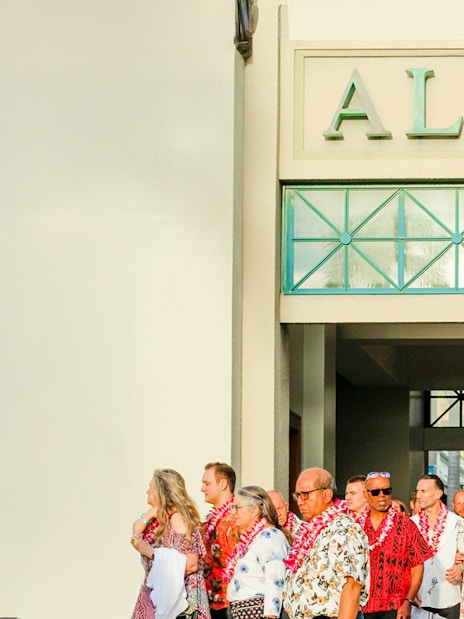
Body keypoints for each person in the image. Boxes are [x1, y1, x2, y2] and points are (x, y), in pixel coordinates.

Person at [283, 467, 369, 619]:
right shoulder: (309, 530)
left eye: (306, 494)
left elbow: (352, 586)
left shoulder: (343, 528)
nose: (300, 502)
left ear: (327, 495)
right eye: (297, 495)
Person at [130, 468, 211, 619]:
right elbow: (135, 533)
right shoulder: (157, 521)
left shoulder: (178, 519)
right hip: (154, 598)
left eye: (151, 487)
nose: (147, 491)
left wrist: (151, 553)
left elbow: (190, 564)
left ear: (162, 491)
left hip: (180, 604)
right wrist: (153, 511)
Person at [359, 471, 432, 619]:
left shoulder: (406, 525)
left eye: (387, 490)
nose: (382, 495)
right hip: (361, 607)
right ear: (366, 495)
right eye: (375, 491)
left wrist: (408, 601)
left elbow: (418, 566)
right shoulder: (356, 527)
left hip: (395, 607)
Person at [224, 485, 289, 619]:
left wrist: (270, 615)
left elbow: (275, 579)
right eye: (232, 507)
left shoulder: (270, 536)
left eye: (237, 508)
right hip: (241, 612)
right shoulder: (252, 538)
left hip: (256, 612)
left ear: (255, 510)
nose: (233, 512)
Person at [411, 474, 464, 619]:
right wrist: (409, 592)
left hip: (449, 597)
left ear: (438, 494)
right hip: (418, 598)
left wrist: (461, 567)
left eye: (423, 491)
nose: (418, 496)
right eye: (417, 491)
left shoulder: (457, 522)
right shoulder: (410, 524)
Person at [201, 462, 241, 619]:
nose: (202, 489)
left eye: (207, 484)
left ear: (223, 484)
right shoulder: (213, 519)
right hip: (209, 602)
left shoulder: (236, 518)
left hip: (227, 604)